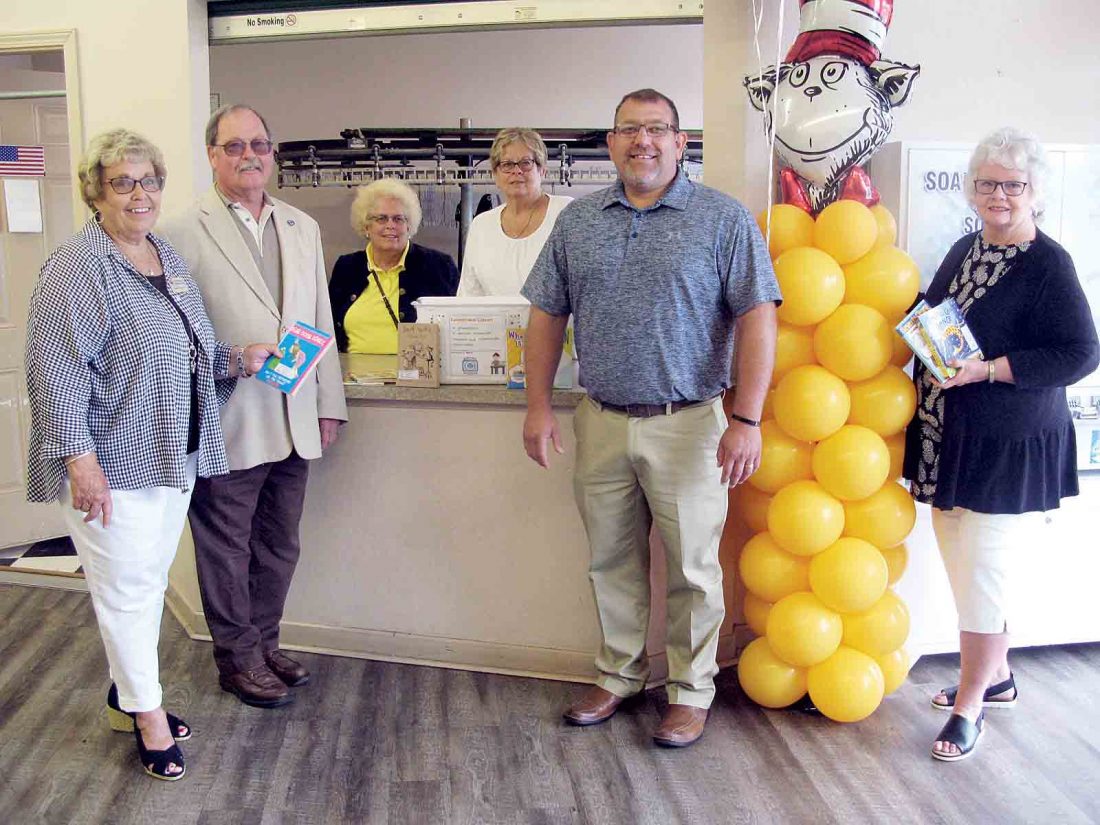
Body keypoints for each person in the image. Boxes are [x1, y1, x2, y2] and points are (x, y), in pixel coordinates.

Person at [521, 89, 781, 748]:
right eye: (630, 130)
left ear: (680, 141)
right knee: (610, 561)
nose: (644, 141)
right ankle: (618, 674)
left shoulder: (722, 219)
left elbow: (759, 316)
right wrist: (538, 405)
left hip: (692, 422)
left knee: (694, 568)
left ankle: (691, 691)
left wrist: (746, 417)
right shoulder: (579, 221)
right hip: (601, 418)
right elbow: (547, 314)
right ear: (610, 144)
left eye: (657, 129)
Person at [24, 129, 275, 780]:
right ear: (95, 193)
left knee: (144, 582)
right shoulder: (79, 265)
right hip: (111, 462)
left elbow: (184, 351)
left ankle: (122, 694)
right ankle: (148, 716)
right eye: (123, 182)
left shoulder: (163, 254)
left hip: (173, 453)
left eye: (150, 180)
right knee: (130, 593)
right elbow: (54, 369)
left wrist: (236, 360)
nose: (140, 194)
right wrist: (79, 460)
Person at [903, 127, 1098, 762]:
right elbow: (933, 312)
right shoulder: (966, 248)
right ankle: (999, 676)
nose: (998, 195)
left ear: (1034, 191)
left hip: (1008, 446)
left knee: (982, 572)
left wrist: (989, 368)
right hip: (948, 438)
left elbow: (1081, 352)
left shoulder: (1049, 264)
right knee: (963, 565)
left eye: (1011, 184)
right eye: (987, 183)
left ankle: (968, 707)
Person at [161, 104, 348, 709]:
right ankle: (237, 658)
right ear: (212, 154)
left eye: (260, 145)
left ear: (273, 154)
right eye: (235, 145)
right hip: (227, 416)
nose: (250, 156)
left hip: (294, 419)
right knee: (225, 545)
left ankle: (265, 643)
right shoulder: (181, 232)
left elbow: (319, 318)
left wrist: (330, 403)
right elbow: (170, 334)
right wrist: (234, 353)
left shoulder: (301, 226)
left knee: (278, 544)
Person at [329, 179, 458, 353]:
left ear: (409, 226)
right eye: (381, 219)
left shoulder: (439, 266)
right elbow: (327, 325)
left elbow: (457, 327)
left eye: (398, 219)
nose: (390, 225)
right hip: (353, 377)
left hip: (417, 378)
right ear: (366, 226)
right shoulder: (346, 268)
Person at [457, 128, 572, 297]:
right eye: (507, 164)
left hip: (559, 324)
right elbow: (469, 297)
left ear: (542, 171)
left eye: (526, 163)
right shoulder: (481, 226)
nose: (517, 171)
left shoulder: (566, 213)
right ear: (495, 175)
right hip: (495, 324)